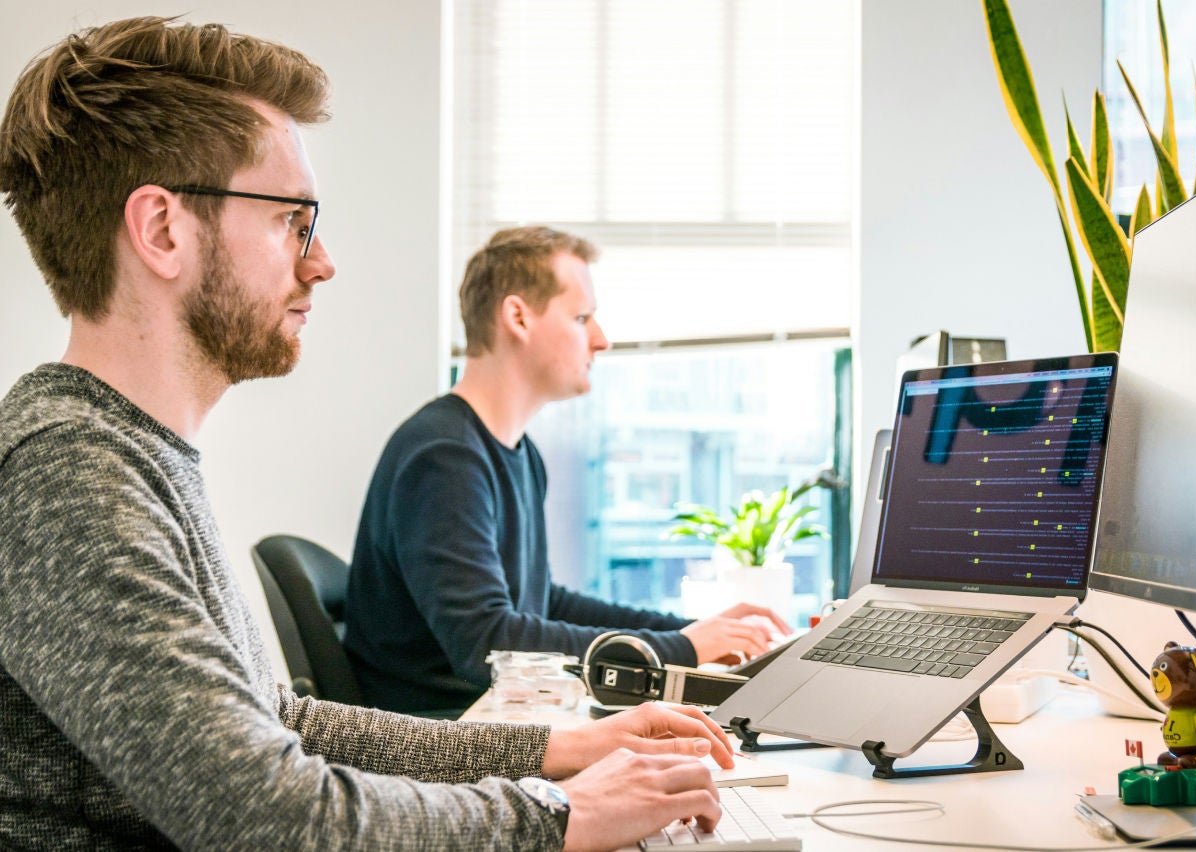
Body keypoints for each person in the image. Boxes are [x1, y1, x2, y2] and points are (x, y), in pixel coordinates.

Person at [0, 17, 735, 850]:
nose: (321, 262)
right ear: (163, 230)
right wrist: (566, 814)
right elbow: (266, 816)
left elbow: (278, 722)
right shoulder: (66, 473)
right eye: (292, 221)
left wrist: (560, 749)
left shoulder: (130, 455)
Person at [344, 226, 791, 716]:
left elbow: (542, 604)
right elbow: (487, 645)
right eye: (582, 318)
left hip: (495, 719)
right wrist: (681, 650)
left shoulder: (516, 453)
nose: (601, 340)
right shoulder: (443, 457)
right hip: (443, 738)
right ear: (517, 317)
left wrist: (687, 632)